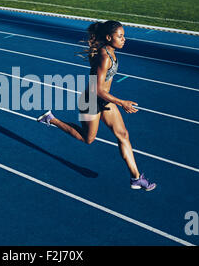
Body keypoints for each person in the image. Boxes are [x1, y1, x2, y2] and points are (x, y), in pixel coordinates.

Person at [37, 20, 156, 191]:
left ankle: (136, 178)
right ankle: (51, 119)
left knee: (123, 134)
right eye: (120, 36)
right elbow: (98, 89)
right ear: (109, 37)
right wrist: (121, 102)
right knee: (88, 139)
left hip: (104, 100)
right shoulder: (105, 56)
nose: (124, 39)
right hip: (91, 100)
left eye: (124, 36)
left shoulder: (109, 51)